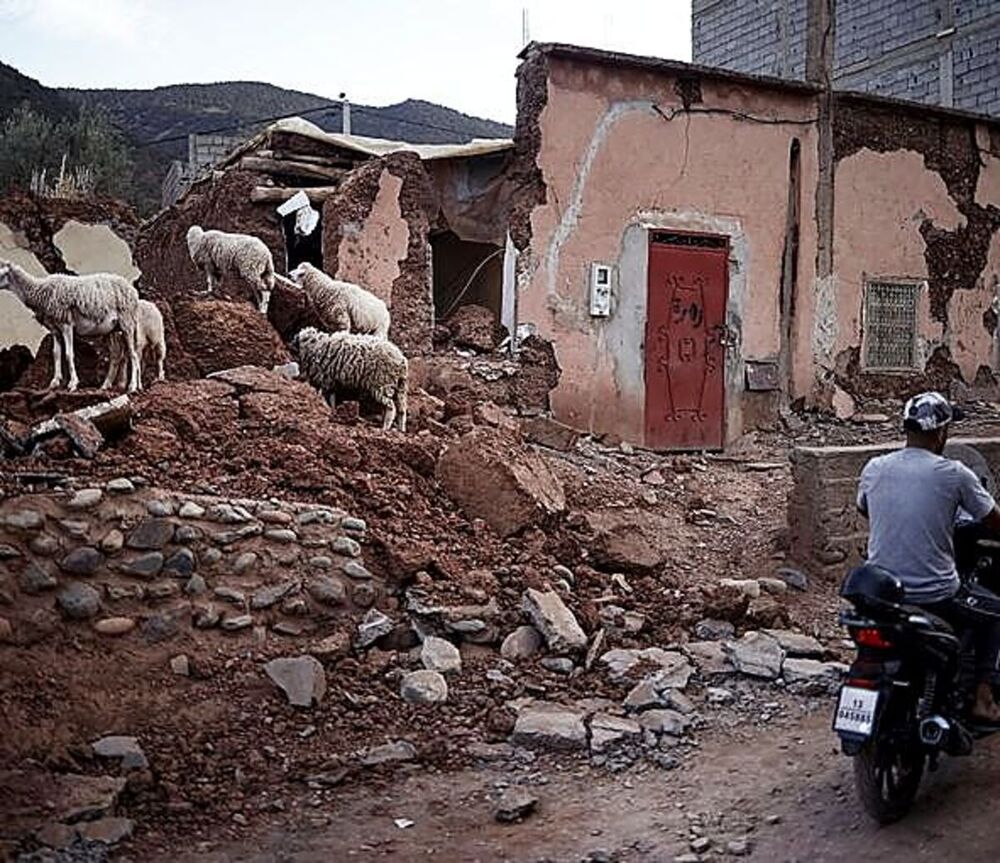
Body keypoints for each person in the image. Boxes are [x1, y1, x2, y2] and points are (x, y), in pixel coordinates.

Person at [857, 391, 1000, 723]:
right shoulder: (955, 473)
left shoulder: (874, 467)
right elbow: (993, 521)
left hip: (882, 593)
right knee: (994, 614)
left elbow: (865, 509)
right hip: (934, 594)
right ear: (941, 433)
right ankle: (983, 695)